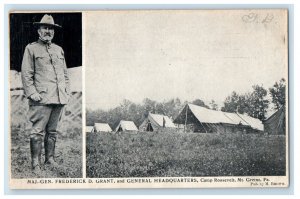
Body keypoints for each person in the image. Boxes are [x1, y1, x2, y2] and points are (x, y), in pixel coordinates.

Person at [21, 14, 70, 173]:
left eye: (51, 28)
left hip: (58, 98)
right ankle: (36, 163)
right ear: (39, 30)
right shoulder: (31, 48)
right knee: (37, 132)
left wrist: (66, 93)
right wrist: (32, 93)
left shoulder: (59, 50)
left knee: (52, 131)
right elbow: (26, 74)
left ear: (54, 31)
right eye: (45, 28)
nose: (48, 31)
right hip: (40, 98)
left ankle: (50, 160)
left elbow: (64, 74)